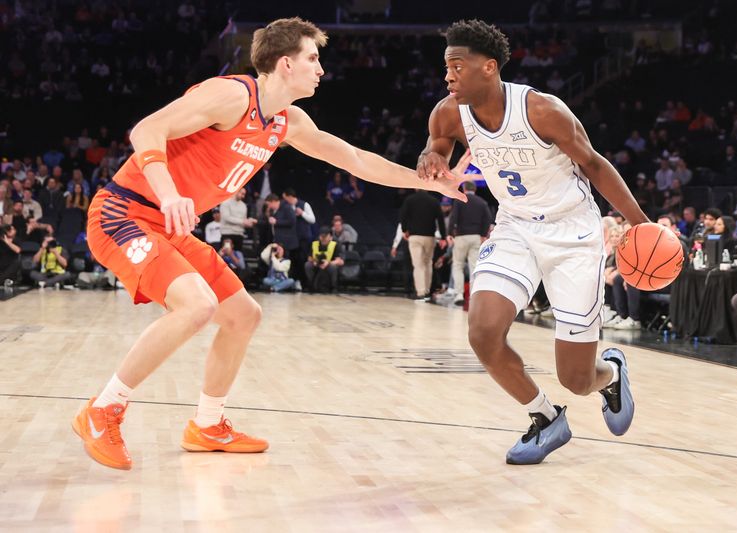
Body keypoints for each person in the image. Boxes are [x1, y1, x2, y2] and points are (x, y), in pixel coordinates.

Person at [76, 17, 468, 471]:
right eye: (313, 58)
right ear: (286, 63)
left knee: (243, 315)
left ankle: (207, 424)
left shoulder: (286, 120)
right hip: (123, 213)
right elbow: (146, 129)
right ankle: (103, 410)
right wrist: (168, 193)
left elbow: (357, 160)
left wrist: (429, 184)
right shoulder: (231, 96)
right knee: (197, 307)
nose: (321, 69)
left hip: (167, 227)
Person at [417, 20, 647, 465]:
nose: (448, 76)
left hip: (573, 233)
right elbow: (439, 140)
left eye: (457, 67)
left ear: (488, 68)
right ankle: (545, 418)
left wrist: (639, 223)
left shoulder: (542, 110)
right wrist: (434, 154)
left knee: (577, 378)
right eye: (446, 67)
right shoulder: (448, 111)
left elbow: (596, 166)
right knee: (483, 333)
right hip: (515, 227)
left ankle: (610, 375)